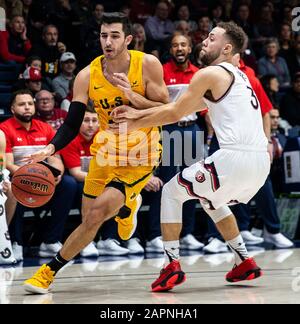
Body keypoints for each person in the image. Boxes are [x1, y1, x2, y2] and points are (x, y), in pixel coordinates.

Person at [110, 22, 271, 292]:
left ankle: (170, 265)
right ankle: (243, 260)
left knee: (171, 192)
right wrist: (135, 106)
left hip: (233, 159)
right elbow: (178, 107)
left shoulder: (209, 73)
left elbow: (174, 114)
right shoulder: (240, 76)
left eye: (211, 38)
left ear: (227, 47)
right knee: (210, 199)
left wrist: (134, 122)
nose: (204, 42)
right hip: (259, 164)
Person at [23, 12, 168, 294]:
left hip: (141, 154)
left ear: (128, 38)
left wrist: (134, 100)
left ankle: (46, 273)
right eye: (104, 35)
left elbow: (167, 110)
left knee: (95, 216)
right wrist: (50, 148)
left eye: (114, 35)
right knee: (91, 218)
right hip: (106, 150)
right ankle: (128, 207)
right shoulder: (87, 74)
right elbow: (73, 121)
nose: (108, 41)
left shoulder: (147, 64)